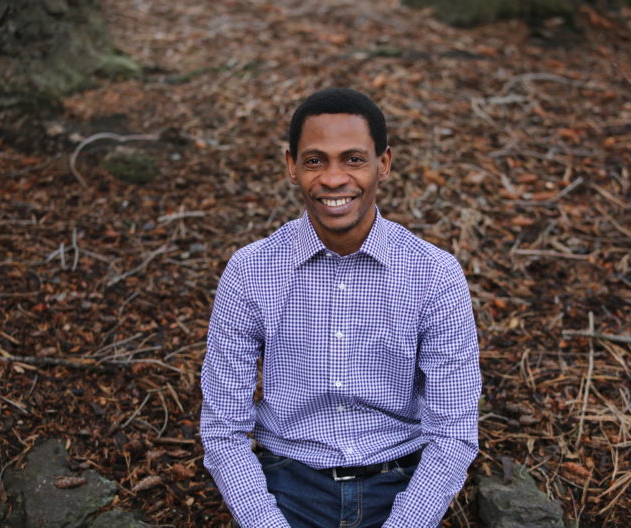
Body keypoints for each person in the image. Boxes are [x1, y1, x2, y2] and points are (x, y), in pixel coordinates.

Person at [200, 87, 481, 528]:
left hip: (401, 485)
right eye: (315, 160)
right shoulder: (250, 271)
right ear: (291, 166)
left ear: (383, 164)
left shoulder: (434, 275)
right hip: (286, 487)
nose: (333, 179)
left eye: (353, 159)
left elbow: (453, 433)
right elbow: (223, 429)